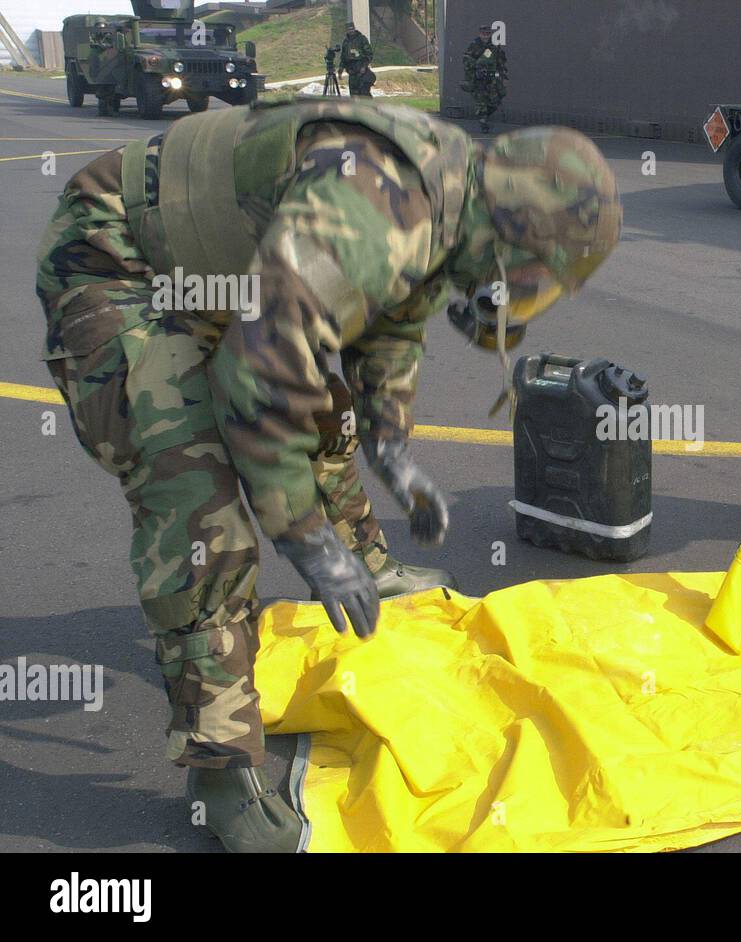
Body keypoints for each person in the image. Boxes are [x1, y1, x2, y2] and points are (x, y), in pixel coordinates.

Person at [35, 99, 621, 851]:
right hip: (118, 264)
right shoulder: (374, 205)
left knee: (325, 416)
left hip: (229, 276)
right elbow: (262, 378)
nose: (517, 300)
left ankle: (368, 569)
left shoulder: (455, 199)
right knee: (196, 506)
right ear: (510, 236)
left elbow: (393, 324)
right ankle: (220, 766)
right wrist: (310, 544)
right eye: (531, 281)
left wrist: (393, 446)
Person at [462, 23, 507, 133]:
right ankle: (483, 123)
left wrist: (501, 74)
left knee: (496, 100)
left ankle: (485, 116)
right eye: (483, 34)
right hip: (479, 79)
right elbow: (466, 59)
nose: (485, 36)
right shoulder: (474, 45)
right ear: (480, 34)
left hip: (492, 79)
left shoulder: (494, 46)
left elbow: (500, 61)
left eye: (487, 34)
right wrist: (477, 67)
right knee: (482, 102)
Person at [339, 21, 375, 97]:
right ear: (346, 30)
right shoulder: (346, 42)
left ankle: (369, 107)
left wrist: (364, 66)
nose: (351, 31)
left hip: (361, 70)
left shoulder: (361, 39)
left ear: (354, 29)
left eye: (352, 29)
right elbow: (343, 58)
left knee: (364, 93)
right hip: (352, 72)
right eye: (349, 29)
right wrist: (340, 70)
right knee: (353, 94)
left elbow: (369, 54)